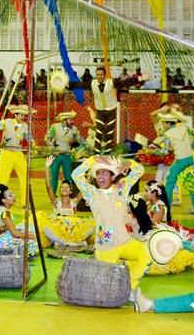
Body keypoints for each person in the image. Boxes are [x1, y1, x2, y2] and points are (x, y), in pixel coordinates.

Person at [72, 156, 152, 300]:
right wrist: (93, 160)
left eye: (104, 173)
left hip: (125, 241)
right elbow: (76, 175)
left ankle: (130, 287)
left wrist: (128, 163)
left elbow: (139, 170)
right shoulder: (91, 193)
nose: (100, 177)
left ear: (112, 176)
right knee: (102, 290)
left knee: (147, 253)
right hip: (106, 247)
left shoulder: (121, 189)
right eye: (98, 174)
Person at [160, 109, 194, 215]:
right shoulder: (184, 128)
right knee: (191, 182)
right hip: (190, 159)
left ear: (168, 123)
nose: (163, 125)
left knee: (169, 182)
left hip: (180, 161)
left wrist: (153, 150)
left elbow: (165, 151)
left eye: (164, 123)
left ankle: (167, 207)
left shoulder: (167, 134)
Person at [0, 105, 32, 208]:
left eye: (24, 115)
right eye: (21, 115)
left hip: (18, 153)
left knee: (25, 177)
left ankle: (25, 202)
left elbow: (29, 138)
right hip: (6, 152)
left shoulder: (25, 126)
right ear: (15, 115)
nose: (23, 117)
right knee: (3, 179)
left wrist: (34, 145)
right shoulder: (6, 122)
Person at [39, 180, 95, 252]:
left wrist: (88, 178)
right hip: (59, 229)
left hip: (72, 229)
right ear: (59, 191)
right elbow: (48, 187)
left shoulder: (74, 202)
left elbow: (83, 190)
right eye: (62, 187)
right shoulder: (56, 202)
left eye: (67, 187)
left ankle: (66, 243)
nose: (64, 189)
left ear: (70, 191)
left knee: (92, 223)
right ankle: (72, 244)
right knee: (44, 224)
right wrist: (46, 172)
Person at [45, 111, 82, 195]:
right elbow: (47, 138)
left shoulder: (74, 129)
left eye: (72, 119)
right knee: (54, 175)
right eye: (70, 120)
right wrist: (53, 149)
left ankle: (69, 194)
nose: (72, 121)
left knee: (69, 176)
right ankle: (52, 194)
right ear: (64, 120)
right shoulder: (54, 127)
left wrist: (75, 141)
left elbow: (80, 141)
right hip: (56, 155)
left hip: (67, 155)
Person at [88, 66, 118, 152]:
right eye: (97, 74)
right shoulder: (92, 83)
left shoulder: (111, 82)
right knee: (99, 130)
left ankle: (108, 150)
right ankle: (96, 151)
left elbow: (124, 82)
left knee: (110, 131)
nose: (99, 76)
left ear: (104, 75)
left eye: (101, 74)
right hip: (100, 110)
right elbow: (79, 84)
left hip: (111, 109)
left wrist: (139, 79)